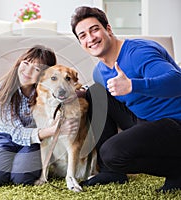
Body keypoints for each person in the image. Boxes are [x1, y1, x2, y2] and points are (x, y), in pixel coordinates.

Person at [71, 6, 181, 192]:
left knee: (112, 152)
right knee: (96, 92)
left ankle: (178, 171)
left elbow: (177, 82)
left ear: (108, 29)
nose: (90, 38)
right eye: (83, 35)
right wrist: (78, 93)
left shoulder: (138, 53)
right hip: (147, 121)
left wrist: (132, 85)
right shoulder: (100, 72)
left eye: (94, 29)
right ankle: (111, 172)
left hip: (175, 123)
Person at [0, 45, 79, 186]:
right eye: (25, 63)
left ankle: (19, 163)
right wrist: (53, 130)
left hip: (34, 141)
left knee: (22, 178)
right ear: (19, 63)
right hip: (6, 136)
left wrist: (75, 94)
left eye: (37, 69)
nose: (28, 71)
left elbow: (74, 86)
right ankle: (8, 160)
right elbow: (16, 132)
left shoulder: (47, 91)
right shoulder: (1, 90)